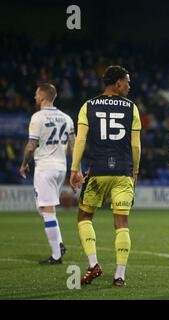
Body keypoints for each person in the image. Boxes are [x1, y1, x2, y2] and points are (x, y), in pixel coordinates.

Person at [70, 65, 141, 287]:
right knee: (121, 223)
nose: (129, 86)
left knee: (84, 217)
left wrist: (74, 169)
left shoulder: (88, 106)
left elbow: (80, 140)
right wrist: (135, 172)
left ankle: (94, 264)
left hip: (97, 170)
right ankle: (119, 275)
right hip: (122, 172)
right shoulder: (132, 108)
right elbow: (135, 145)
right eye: (127, 82)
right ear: (118, 83)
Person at [19, 83, 75, 265]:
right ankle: (58, 244)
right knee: (43, 208)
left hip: (45, 167)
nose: (35, 97)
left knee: (47, 210)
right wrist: (77, 169)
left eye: (36, 94)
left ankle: (56, 255)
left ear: (43, 96)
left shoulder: (38, 117)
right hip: (61, 168)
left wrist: (24, 163)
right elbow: (74, 146)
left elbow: (30, 146)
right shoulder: (67, 118)